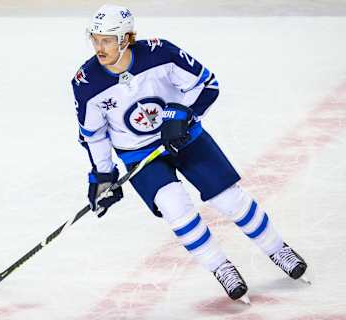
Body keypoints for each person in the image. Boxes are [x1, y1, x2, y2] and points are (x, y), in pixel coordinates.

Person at [71, 4, 308, 302]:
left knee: (229, 199)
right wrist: (103, 174)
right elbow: (94, 135)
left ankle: (278, 249)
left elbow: (208, 84)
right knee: (174, 207)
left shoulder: (161, 53)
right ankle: (220, 266)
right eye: (95, 38)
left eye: (107, 39)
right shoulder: (86, 82)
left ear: (127, 38)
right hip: (138, 155)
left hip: (184, 137)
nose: (99, 47)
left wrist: (184, 115)